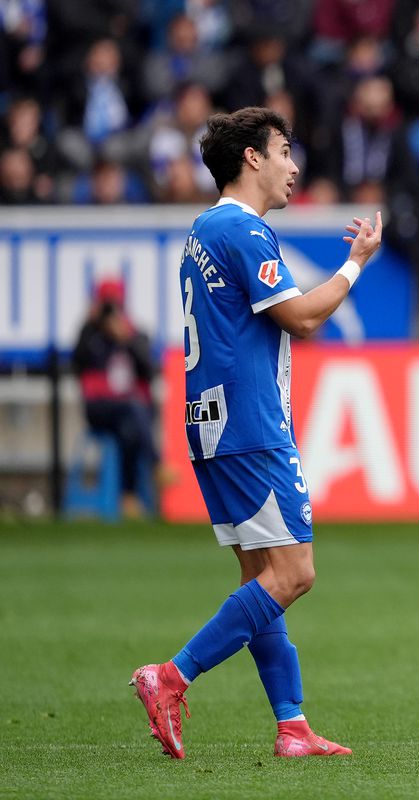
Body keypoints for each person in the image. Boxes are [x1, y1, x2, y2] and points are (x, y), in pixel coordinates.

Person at [129, 107, 384, 759]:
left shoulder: (202, 231)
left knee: (260, 582)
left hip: (210, 424)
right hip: (250, 424)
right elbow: (300, 318)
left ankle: (292, 727)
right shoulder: (243, 230)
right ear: (252, 159)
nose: (294, 166)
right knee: (295, 574)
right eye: (285, 151)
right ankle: (171, 676)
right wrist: (355, 265)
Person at [71, 278, 160, 518]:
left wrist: (126, 340)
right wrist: (94, 326)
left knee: (130, 426)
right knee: (133, 411)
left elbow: (148, 371)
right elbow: (78, 364)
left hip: (130, 412)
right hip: (100, 408)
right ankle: (154, 465)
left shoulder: (134, 333)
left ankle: (128, 497)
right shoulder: (89, 334)